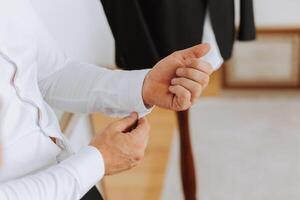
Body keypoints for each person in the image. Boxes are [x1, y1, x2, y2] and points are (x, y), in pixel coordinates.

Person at [0, 0, 213, 199]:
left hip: (70, 175)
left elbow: (51, 74)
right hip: (70, 177)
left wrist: (143, 86)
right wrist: (97, 162)